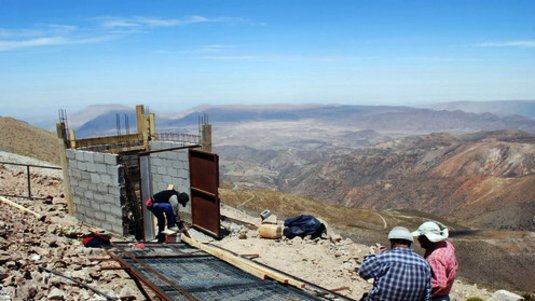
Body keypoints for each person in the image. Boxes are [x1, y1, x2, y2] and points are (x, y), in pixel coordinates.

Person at [358, 226, 432, 301]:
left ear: (392, 242)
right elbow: (427, 294)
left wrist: (375, 255)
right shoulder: (424, 264)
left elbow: (363, 272)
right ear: (409, 243)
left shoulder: (384, 257)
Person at [412, 221, 459, 301]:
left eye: (420, 237)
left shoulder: (435, 258)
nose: (418, 239)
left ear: (427, 238)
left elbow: (439, 284)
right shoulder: (446, 245)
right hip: (444, 296)